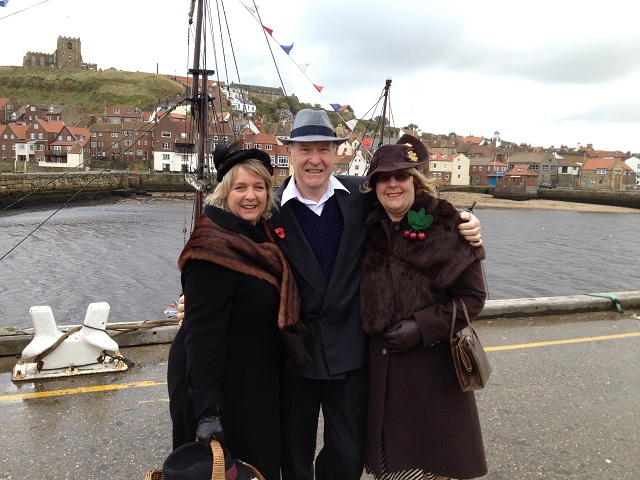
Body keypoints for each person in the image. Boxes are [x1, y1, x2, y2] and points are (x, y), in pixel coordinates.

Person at [178, 109, 483, 480]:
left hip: (349, 354)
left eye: (324, 149)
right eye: (305, 149)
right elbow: (227, 254)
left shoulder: (360, 195)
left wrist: (463, 223)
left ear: (337, 153)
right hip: (292, 357)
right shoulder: (265, 211)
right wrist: (193, 305)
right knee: (293, 459)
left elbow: (410, 203)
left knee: (347, 457)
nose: (314, 159)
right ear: (289, 153)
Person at [166, 142, 307, 480]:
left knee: (254, 468)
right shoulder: (212, 249)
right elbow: (202, 336)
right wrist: (207, 411)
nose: (251, 196)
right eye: (241, 187)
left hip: (252, 378)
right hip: (220, 387)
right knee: (225, 470)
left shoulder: (258, 234)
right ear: (224, 192)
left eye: (259, 187)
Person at [359, 141, 488, 480]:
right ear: (373, 185)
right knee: (392, 465)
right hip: (380, 372)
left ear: (416, 179)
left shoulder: (449, 225)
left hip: (431, 372)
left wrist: (421, 327)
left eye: (401, 176)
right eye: (383, 178)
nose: (392, 184)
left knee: (432, 462)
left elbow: (473, 298)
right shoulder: (366, 225)